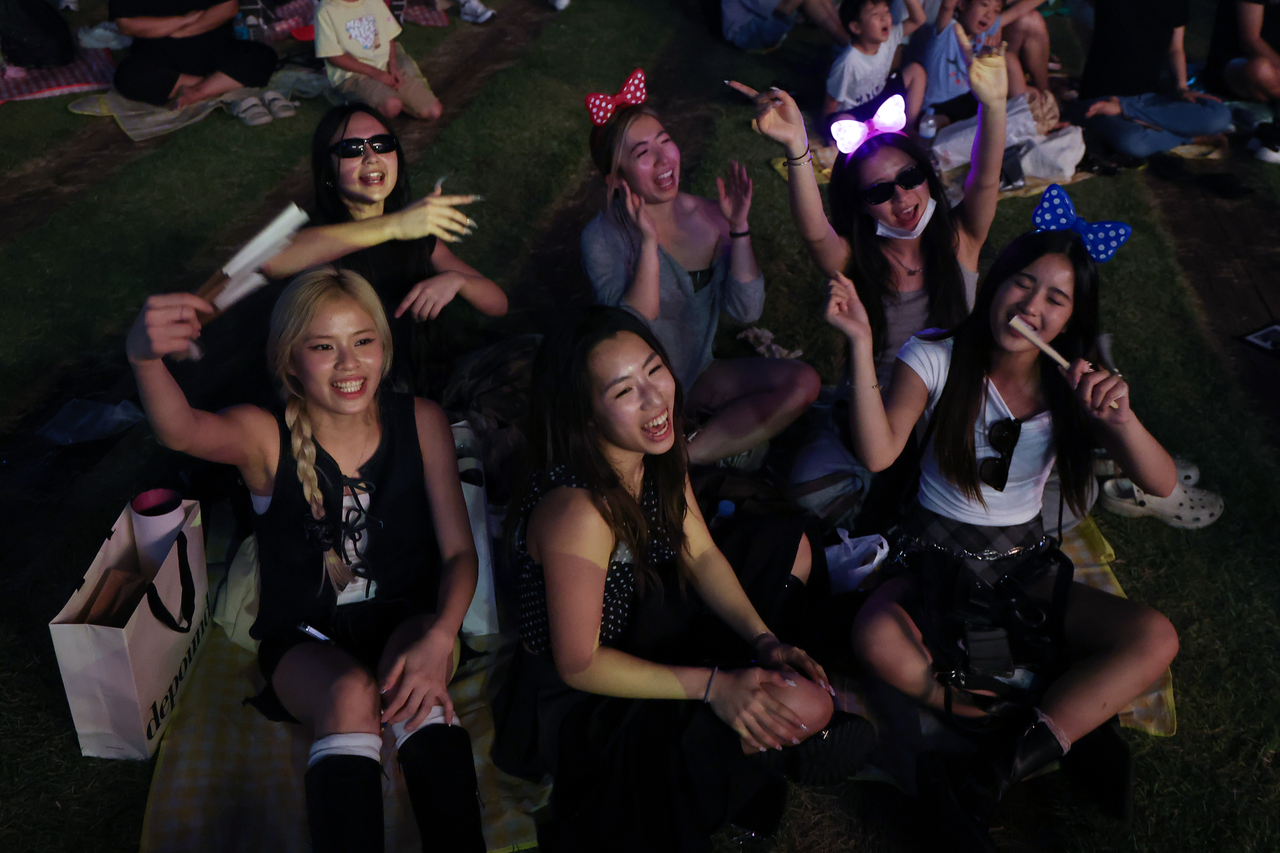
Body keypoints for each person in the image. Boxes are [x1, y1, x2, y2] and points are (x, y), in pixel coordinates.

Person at [827, 200, 1179, 835]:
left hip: (1022, 565)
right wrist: (859, 346)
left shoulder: (1076, 387)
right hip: (934, 560)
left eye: (1057, 299)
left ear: (1073, 319)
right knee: (875, 637)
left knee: (1156, 637)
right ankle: (1022, 723)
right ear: (995, 281)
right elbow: (879, 452)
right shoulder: (934, 356)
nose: (1032, 307)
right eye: (1023, 282)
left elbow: (1161, 481)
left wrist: (1119, 418)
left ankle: (995, 766)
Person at [125, 268, 486, 852]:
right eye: (323, 346)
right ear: (290, 360)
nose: (349, 363)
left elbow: (459, 553)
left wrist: (442, 635)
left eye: (363, 341)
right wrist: (144, 359)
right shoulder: (264, 437)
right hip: (304, 637)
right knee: (349, 695)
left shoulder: (421, 420)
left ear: (384, 347)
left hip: (409, 618)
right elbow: (183, 431)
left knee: (419, 692)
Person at [490, 307, 872, 851]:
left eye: (654, 370)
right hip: (589, 697)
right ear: (585, 415)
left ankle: (776, 721)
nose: (654, 399)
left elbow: (701, 554)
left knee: (789, 546)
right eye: (623, 392)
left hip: (649, 617)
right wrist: (715, 686)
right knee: (793, 704)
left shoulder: (655, 455)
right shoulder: (579, 511)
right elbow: (578, 663)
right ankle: (783, 733)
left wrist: (762, 638)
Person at [581, 71, 820, 468]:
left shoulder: (711, 216)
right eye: (642, 154)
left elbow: (747, 312)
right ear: (616, 180)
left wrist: (738, 227)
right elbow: (632, 325)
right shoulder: (601, 237)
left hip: (694, 375)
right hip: (636, 392)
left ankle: (685, 460)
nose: (663, 159)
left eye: (665, 141)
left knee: (804, 382)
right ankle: (701, 446)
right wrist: (647, 242)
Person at [262, 103, 507, 396]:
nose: (370, 157)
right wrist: (394, 225)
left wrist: (459, 281)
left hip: (428, 374)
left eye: (382, 145)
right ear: (327, 167)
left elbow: (498, 304)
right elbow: (271, 260)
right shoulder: (320, 240)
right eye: (351, 149)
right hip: (360, 390)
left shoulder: (414, 233)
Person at [1078, 0, 1233, 160]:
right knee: (1132, 141)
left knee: (1219, 115)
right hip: (1104, 97)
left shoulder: (1175, 3)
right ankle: (1189, 138)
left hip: (1149, 99)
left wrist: (1182, 88)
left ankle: (1137, 117)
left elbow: (1176, 49)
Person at [110, 0, 277, 108]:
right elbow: (127, 24)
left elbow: (228, 7)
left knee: (261, 55)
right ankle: (218, 84)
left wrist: (186, 31)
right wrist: (183, 21)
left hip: (216, 49)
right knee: (128, 77)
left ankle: (197, 93)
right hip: (159, 56)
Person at [315, 0, 443, 120]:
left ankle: (386, 98)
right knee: (392, 106)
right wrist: (375, 73)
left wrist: (393, 65)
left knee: (434, 111)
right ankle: (355, 101)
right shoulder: (326, 10)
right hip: (353, 75)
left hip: (384, 68)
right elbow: (334, 57)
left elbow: (389, 36)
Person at [920, 0, 1047, 119]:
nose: (989, 15)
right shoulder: (946, 30)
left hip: (970, 101)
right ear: (963, 4)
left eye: (996, 11)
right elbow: (947, 7)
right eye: (984, 4)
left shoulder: (983, 31)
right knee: (941, 123)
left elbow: (1018, 10)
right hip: (939, 107)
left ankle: (1026, 121)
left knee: (1031, 91)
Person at [824, 0, 928, 133]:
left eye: (886, 11)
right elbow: (830, 103)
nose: (885, 18)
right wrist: (827, 131)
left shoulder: (890, 38)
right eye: (875, 14)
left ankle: (906, 131)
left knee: (916, 71)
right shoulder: (848, 62)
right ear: (856, 27)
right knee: (840, 120)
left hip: (880, 100)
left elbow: (919, 19)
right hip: (857, 111)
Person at [720, 0, 850, 52]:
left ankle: (850, 43)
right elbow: (785, 8)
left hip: (764, 19)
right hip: (745, 33)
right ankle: (849, 45)